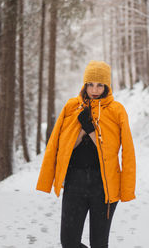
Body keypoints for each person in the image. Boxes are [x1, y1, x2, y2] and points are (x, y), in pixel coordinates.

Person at [36, 60, 136, 248]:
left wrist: (91, 129)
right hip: (75, 183)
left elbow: (125, 151)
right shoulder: (72, 107)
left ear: (107, 86)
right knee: (69, 242)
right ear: (84, 84)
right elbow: (59, 147)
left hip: (104, 186)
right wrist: (82, 131)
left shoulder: (116, 111)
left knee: (99, 243)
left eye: (100, 85)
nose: (94, 89)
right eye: (90, 84)